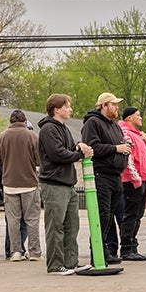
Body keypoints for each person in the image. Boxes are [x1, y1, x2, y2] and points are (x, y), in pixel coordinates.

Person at [38, 93, 94, 275]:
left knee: (72, 225)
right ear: (57, 109)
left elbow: (69, 148)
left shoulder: (63, 128)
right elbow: (58, 154)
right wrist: (80, 154)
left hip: (68, 184)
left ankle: (71, 262)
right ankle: (55, 265)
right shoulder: (48, 130)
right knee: (55, 226)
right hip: (54, 184)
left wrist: (78, 146)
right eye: (67, 106)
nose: (71, 109)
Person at [82, 93, 133, 264]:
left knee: (110, 215)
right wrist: (115, 149)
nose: (117, 108)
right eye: (113, 104)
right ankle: (96, 252)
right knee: (102, 215)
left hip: (115, 175)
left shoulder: (115, 126)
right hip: (101, 175)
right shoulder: (93, 123)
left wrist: (124, 150)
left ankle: (106, 250)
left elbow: (120, 146)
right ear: (103, 106)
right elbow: (92, 146)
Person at [0, 110, 41, 262]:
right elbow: (40, 161)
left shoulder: (1, 137)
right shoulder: (33, 136)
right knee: (32, 219)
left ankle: (16, 252)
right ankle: (34, 252)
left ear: (10, 121)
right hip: (29, 183)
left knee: (13, 220)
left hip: (9, 183)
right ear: (25, 121)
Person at [117, 105, 146, 262]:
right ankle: (126, 248)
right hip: (131, 181)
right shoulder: (126, 134)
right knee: (130, 214)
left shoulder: (138, 135)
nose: (141, 118)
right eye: (138, 115)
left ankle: (133, 246)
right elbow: (128, 160)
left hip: (141, 179)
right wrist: (136, 180)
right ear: (129, 118)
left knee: (138, 215)